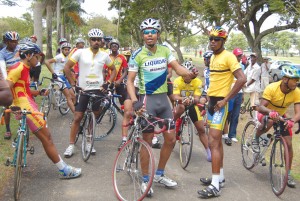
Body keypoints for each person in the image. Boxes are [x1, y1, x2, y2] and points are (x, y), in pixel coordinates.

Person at [127, 18, 197, 196]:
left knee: (171, 139)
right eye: (146, 32)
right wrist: (135, 101)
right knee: (147, 140)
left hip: (163, 101)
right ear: (143, 35)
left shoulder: (165, 50)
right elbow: (129, 81)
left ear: (158, 34)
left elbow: (178, 68)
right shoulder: (137, 55)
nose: (149, 34)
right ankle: (144, 179)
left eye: (153, 31)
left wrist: (189, 73)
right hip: (147, 100)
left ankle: (159, 174)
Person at [6, 41, 81, 178]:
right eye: (37, 56)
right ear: (28, 55)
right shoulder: (19, 68)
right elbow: (6, 87)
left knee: (46, 137)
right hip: (25, 107)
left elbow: (23, 90)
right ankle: (63, 169)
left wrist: (39, 93)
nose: (39, 60)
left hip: (27, 103)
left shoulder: (24, 68)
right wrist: (11, 104)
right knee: (47, 138)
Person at [197, 26, 246, 198]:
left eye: (216, 39)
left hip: (221, 104)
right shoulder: (213, 58)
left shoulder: (229, 57)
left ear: (223, 41)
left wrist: (225, 100)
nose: (213, 42)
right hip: (211, 103)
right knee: (215, 143)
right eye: (211, 38)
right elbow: (213, 82)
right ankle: (219, 178)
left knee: (213, 140)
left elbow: (242, 78)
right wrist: (206, 98)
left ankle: (215, 185)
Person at [63, 28, 116, 157]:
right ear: (89, 40)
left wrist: (108, 82)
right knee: (77, 117)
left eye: (98, 40)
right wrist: (74, 84)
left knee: (93, 118)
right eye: (93, 39)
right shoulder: (80, 52)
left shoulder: (104, 55)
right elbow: (67, 67)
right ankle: (71, 145)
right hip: (83, 89)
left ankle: (88, 141)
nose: (96, 42)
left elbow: (113, 70)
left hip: (98, 90)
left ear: (101, 41)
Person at [252, 65, 300, 188]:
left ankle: (288, 174)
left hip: (281, 115)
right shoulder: (272, 88)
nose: (296, 82)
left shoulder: (296, 92)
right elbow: (261, 107)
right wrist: (270, 112)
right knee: (270, 122)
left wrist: (293, 121)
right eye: (294, 79)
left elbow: (298, 112)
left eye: (297, 79)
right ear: (285, 79)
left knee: (288, 144)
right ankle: (256, 139)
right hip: (266, 113)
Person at [173, 64, 211, 161]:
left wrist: (193, 100)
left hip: (191, 104)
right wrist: (183, 99)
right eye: (185, 74)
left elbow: (197, 98)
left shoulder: (197, 81)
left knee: (201, 129)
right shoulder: (177, 81)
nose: (187, 76)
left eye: (189, 74)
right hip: (180, 104)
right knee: (181, 107)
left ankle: (209, 151)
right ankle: (172, 124)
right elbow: (175, 96)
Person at [103, 39, 131, 151]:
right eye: (112, 45)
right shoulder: (107, 57)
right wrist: (105, 80)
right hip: (109, 81)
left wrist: (120, 80)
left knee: (123, 99)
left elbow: (125, 71)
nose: (114, 47)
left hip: (119, 82)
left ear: (118, 47)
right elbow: (104, 70)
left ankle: (126, 113)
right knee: (104, 97)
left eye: (116, 45)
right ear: (110, 47)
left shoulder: (122, 57)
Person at [0, 31, 20, 140]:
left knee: (23, 103)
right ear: (6, 42)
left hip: (21, 80)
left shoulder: (20, 49)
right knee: (7, 106)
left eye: (16, 41)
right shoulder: (2, 54)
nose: (14, 43)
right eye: (12, 41)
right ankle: (8, 129)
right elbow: (3, 69)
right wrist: (7, 84)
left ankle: (23, 126)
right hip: (10, 80)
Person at [45, 42, 75, 113]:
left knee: (73, 96)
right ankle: (76, 115)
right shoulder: (59, 57)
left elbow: (66, 67)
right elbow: (47, 62)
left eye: (68, 50)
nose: (67, 51)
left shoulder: (67, 58)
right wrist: (53, 73)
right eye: (65, 50)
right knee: (68, 96)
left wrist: (71, 70)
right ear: (62, 50)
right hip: (58, 77)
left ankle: (76, 111)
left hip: (63, 77)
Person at [225, 48, 245, 145]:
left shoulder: (241, 66)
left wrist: (243, 93)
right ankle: (224, 133)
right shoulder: (228, 66)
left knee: (236, 115)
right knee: (228, 113)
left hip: (239, 93)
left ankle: (232, 134)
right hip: (230, 92)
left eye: (241, 56)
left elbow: (242, 80)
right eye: (238, 56)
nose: (240, 58)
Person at [243, 52, 261, 119]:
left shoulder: (257, 68)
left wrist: (246, 84)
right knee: (252, 103)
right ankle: (254, 117)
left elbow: (253, 79)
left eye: (254, 57)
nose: (252, 58)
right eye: (251, 57)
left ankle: (256, 118)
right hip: (250, 88)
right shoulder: (249, 65)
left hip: (254, 88)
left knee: (255, 104)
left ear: (256, 58)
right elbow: (244, 73)